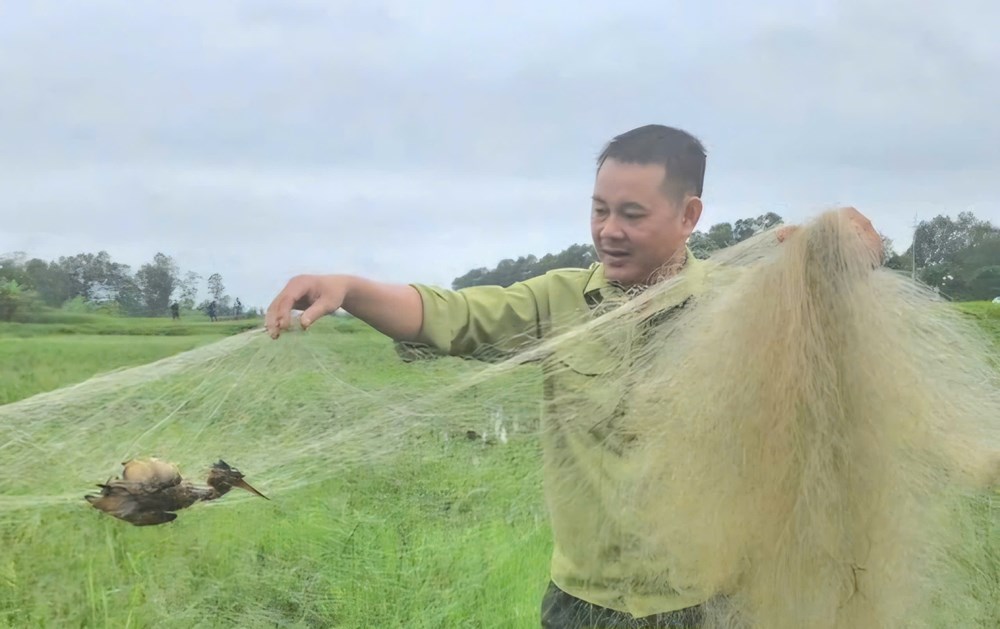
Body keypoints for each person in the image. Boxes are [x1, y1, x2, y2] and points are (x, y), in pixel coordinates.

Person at [265, 124, 883, 628]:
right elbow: (451, 316)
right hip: (582, 606)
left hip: (709, 603)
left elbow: (849, 271)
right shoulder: (554, 304)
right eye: (599, 210)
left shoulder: (744, 305)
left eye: (632, 214)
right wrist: (347, 288)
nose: (609, 230)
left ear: (690, 214)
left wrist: (842, 245)